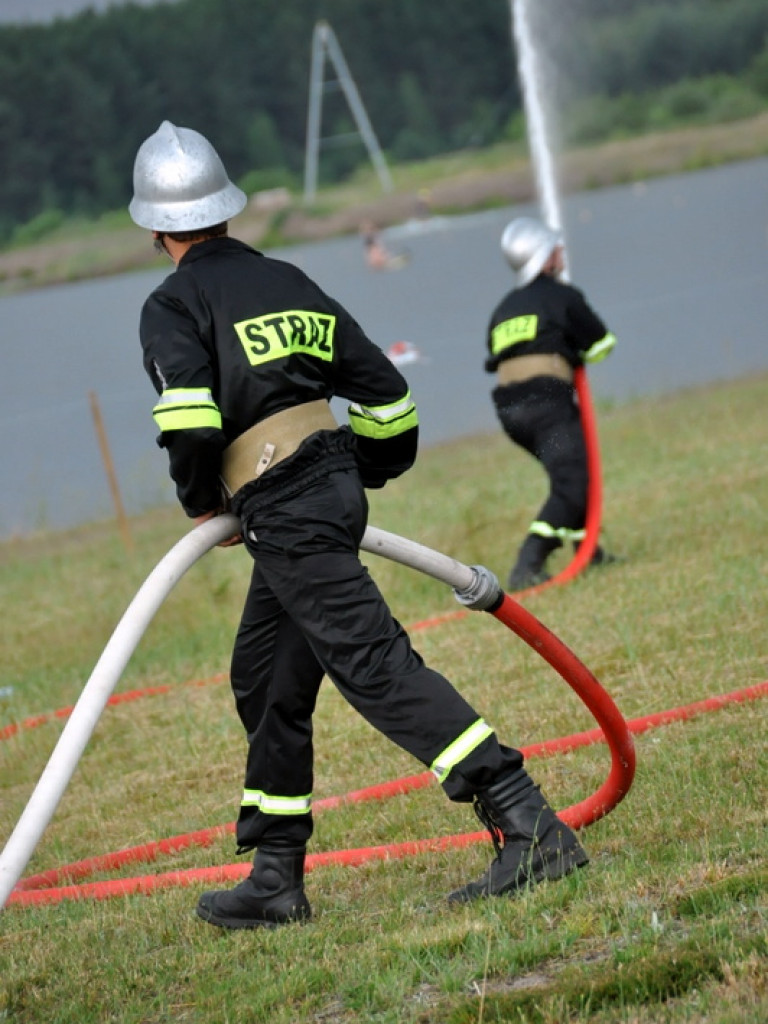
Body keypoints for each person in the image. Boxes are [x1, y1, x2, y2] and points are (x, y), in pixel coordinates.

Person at [129, 122, 588, 930]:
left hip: (280, 504)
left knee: (374, 665)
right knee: (265, 675)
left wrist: (205, 503)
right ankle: (275, 874)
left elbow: (192, 420)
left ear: (155, 227)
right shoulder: (288, 279)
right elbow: (388, 396)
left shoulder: (172, 304)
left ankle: (527, 821)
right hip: (331, 487)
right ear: (226, 210)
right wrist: (358, 473)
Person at [485, 216, 618, 591]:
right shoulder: (562, 296)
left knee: (573, 473)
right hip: (547, 405)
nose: (561, 253)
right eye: (555, 248)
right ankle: (528, 564)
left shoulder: (505, 307)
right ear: (544, 258)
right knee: (573, 479)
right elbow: (602, 344)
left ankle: (587, 550)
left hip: (512, 412)